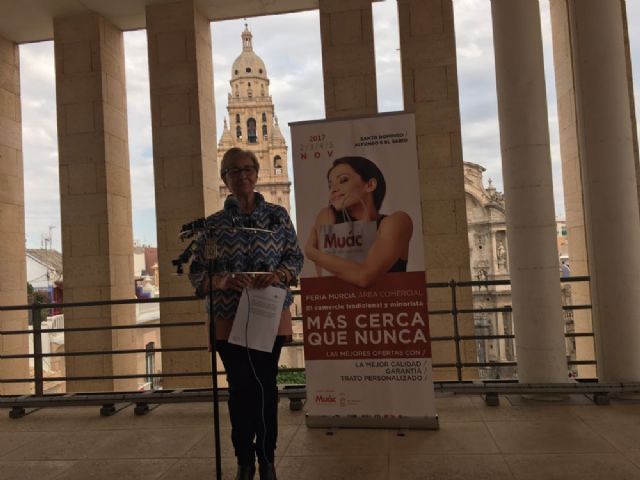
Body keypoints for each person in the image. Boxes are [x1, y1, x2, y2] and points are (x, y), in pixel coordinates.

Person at [189, 147, 303, 480]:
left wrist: (279, 274)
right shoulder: (213, 226)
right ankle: (244, 459)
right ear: (224, 178)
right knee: (240, 388)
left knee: (266, 386)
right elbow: (197, 271)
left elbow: (295, 258)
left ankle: (266, 458)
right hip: (228, 318)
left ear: (256, 172)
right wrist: (223, 280)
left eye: (247, 169)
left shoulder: (278, 217)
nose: (242, 175)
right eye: (233, 171)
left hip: (269, 315)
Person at [305, 156, 413, 287]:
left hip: (390, 299)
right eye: (330, 185)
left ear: (370, 185)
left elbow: (364, 277)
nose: (333, 189)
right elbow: (328, 281)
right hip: (340, 299)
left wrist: (314, 254)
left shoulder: (397, 222)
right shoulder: (327, 216)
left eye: (343, 180)